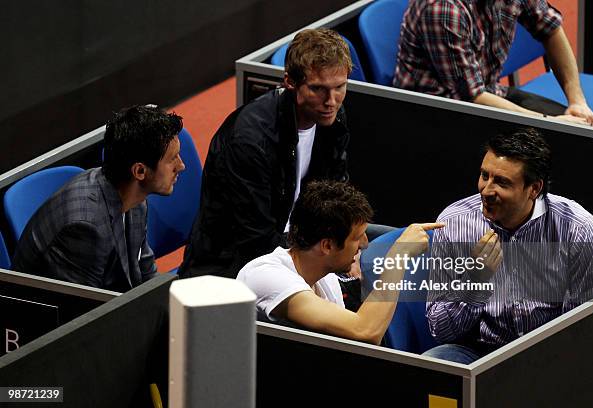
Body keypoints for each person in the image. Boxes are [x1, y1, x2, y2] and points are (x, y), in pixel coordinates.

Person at [180, 28, 369, 281]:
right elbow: (256, 241)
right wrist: (332, 261)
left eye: (340, 87)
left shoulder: (332, 119)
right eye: (318, 89)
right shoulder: (248, 141)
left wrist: (349, 250)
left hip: (304, 246)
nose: (331, 101)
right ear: (290, 81)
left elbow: (335, 196)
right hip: (236, 270)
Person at [424, 127, 593, 363]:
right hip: (480, 351)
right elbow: (440, 330)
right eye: (484, 175)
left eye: (502, 182)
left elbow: (585, 327)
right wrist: (475, 282)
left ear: (534, 189)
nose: (486, 191)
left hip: (552, 353)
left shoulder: (577, 229)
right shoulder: (452, 224)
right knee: (436, 363)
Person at [237, 180, 444, 344]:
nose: (364, 245)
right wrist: (398, 258)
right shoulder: (266, 276)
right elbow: (365, 331)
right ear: (327, 246)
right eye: (358, 237)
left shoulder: (326, 277)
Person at [12, 105, 185, 292]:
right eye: (172, 159)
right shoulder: (85, 227)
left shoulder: (135, 198)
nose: (181, 166)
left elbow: (145, 276)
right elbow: (83, 313)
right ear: (140, 171)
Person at [393, 0, 593, 127]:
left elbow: (550, 29)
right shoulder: (443, 8)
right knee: (561, 140)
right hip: (436, 112)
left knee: (580, 130)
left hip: (488, 92)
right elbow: (471, 96)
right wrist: (548, 122)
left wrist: (577, 101)